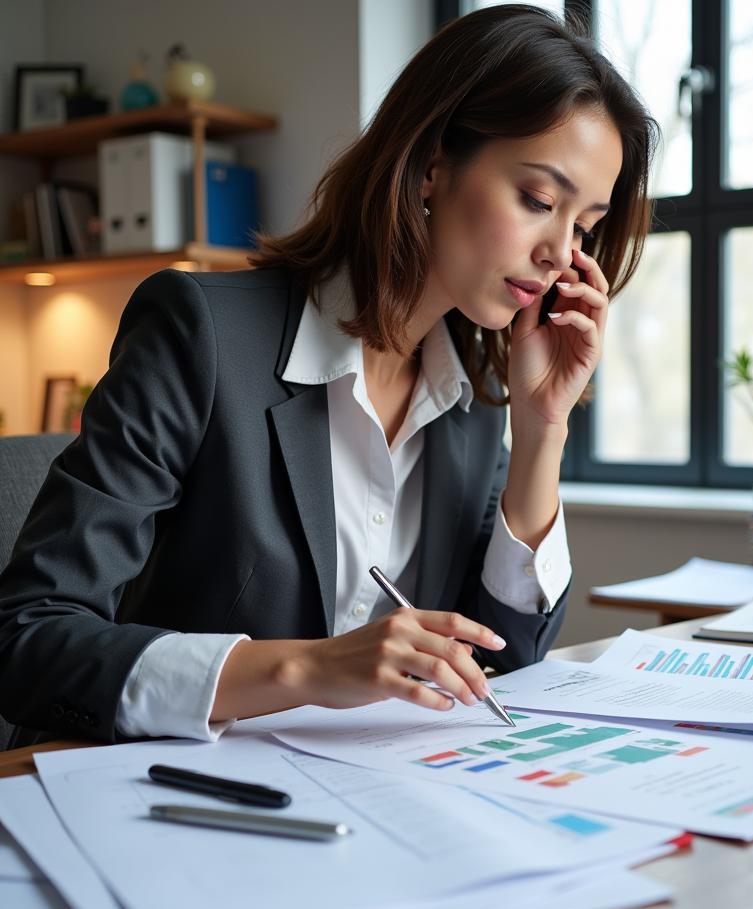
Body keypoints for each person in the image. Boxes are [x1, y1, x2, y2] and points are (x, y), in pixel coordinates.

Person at [0, 4, 656, 747]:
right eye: (539, 200)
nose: (559, 252)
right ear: (433, 162)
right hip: (147, 797)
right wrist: (306, 670)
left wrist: (541, 430)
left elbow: (503, 662)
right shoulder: (202, 334)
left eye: (584, 226)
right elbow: (28, 637)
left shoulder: (469, 402)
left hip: (350, 806)